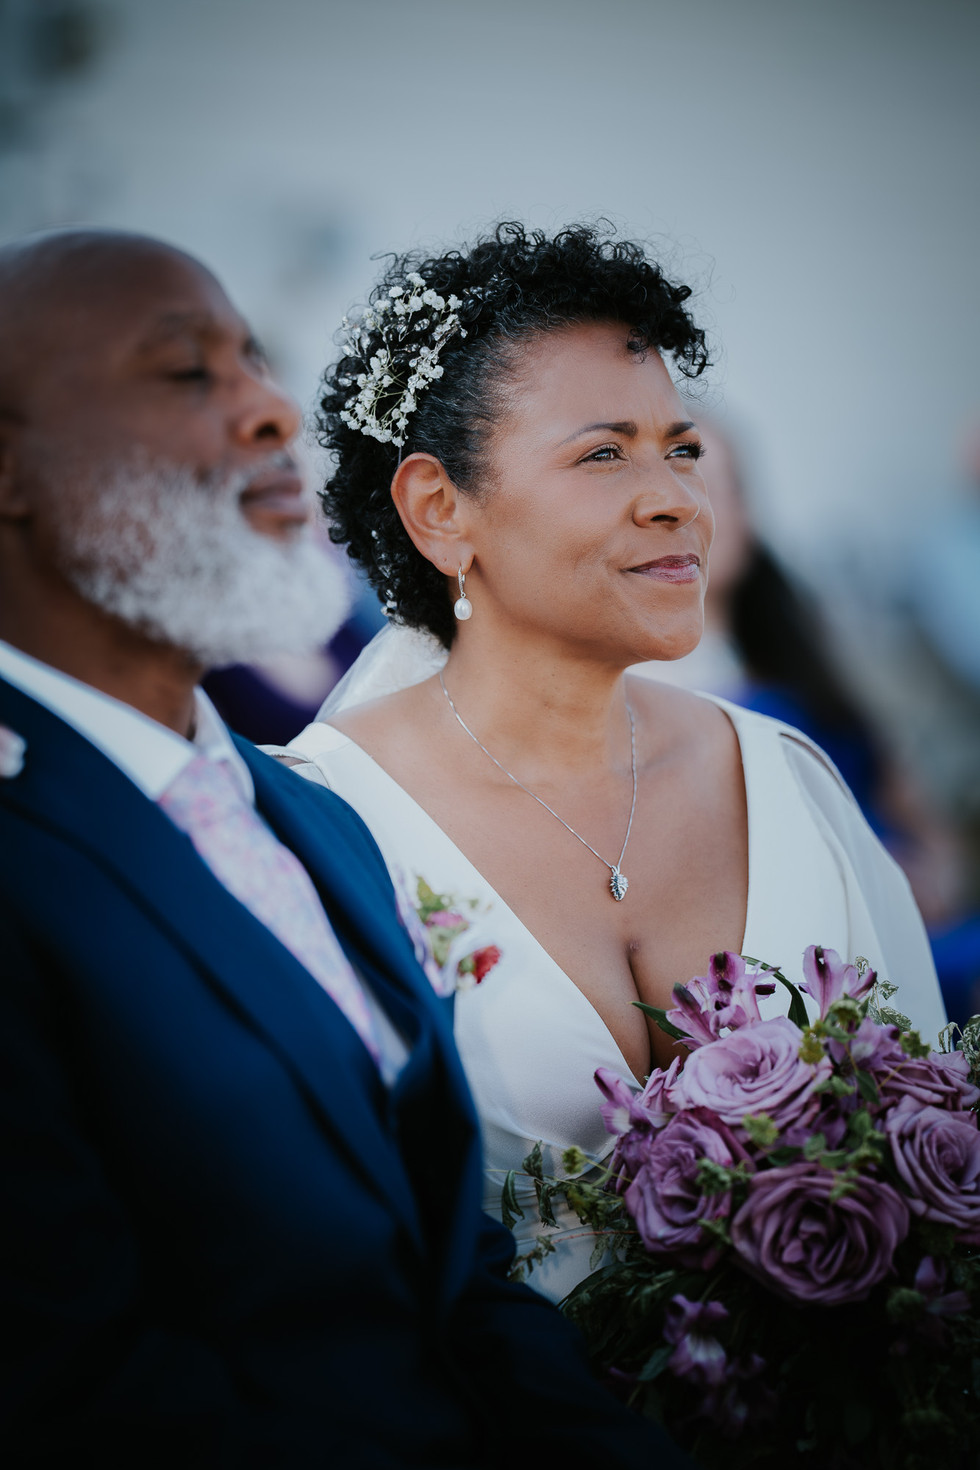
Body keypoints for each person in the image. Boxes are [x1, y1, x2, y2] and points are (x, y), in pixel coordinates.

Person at [0, 228, 692, 1468]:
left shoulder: (310, 819)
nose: (270, 412)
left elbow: (454, 1271)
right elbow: (68, 1378)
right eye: (185, 373)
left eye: (255, 364)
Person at [277, 222, 948, 1304]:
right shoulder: (317, 822)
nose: (678, 497)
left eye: (679, 448)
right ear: (439, 511)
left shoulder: (780, 774)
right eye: (603, 453)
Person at [633, 413, 980, 1024]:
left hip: (927, 924)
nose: (692, 512)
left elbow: (911, 803)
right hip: (827, 974)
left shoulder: (804, 658)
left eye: (715, 484)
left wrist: (937, 872)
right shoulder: (647, 701)